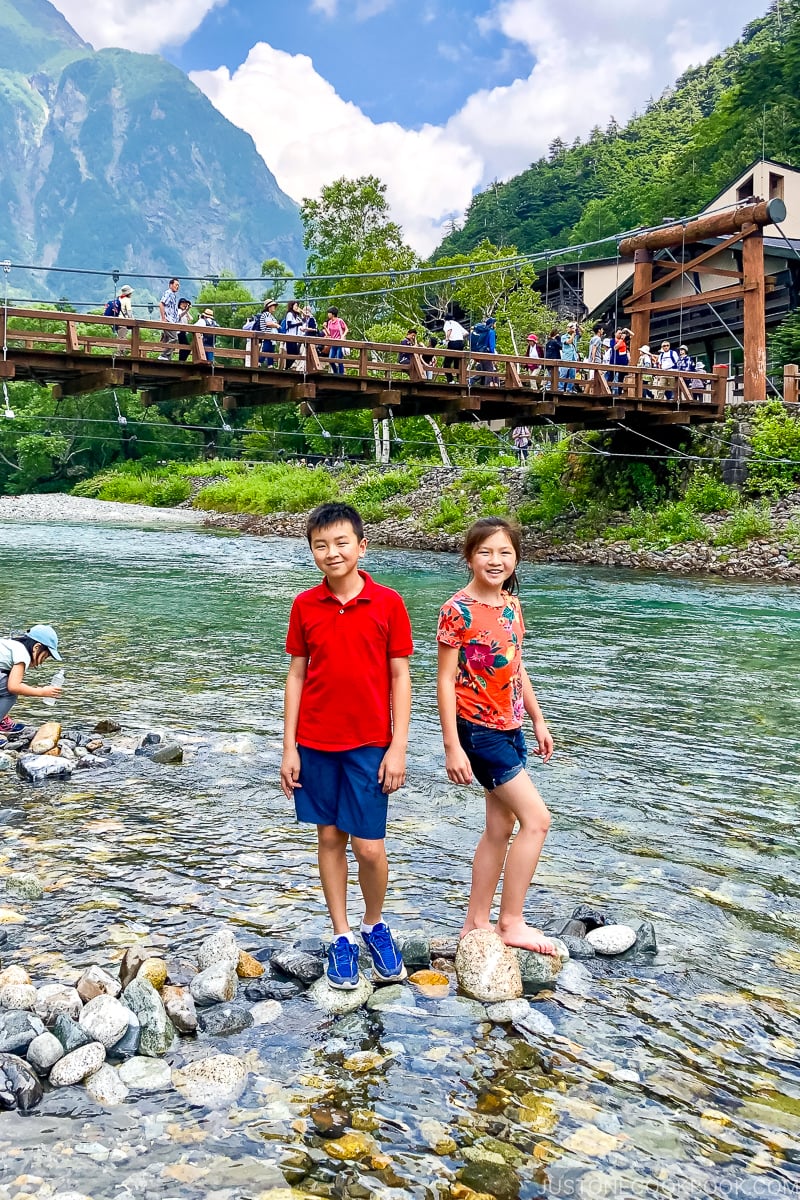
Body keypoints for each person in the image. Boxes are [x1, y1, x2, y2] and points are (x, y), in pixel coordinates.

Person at [280, 502, 413, 990]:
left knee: (370, 848)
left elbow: (400, 675)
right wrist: (288, 747)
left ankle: (374, 925)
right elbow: (296, 675)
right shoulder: (304, 605)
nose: (331, 553)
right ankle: (341, 937)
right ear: (312, 551)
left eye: (341, 543)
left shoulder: (388, 603)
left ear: (361, 545)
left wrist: (398, 747)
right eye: (320, 545)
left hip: (369, 745)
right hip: (314, 741)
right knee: (330, 839)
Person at [436, 517, 556, 955]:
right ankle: (511, 921)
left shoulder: (511, 605)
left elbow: (516, 665)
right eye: (486, 551)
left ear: (515, 559)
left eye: (505, 552)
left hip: (512, 725)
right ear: (469, 557)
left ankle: (475, 921)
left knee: (500, 826)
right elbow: (445, 681)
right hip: (478, 731)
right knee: (537, 820)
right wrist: (452, 746)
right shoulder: (457, 610)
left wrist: (538, 719)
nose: (496, 560)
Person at [0, 625, 63, 740]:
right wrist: (42, 692)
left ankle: (2, 718)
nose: (42, 662)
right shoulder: (23, 654)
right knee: (10, 693)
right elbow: (14, 687)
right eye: (45, 656)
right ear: (36, 647)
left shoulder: (11, 645)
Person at [157, 278, 181, 360]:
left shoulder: (173, 295)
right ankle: (163, 355)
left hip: (172, 321)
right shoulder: (168, 293)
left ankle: (167, 357)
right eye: (176, 285)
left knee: (169, 340)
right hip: (168, 320)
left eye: (178, 285)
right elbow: (161, 304)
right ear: (171, 285)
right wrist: (164, 318)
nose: (177, 287)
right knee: (174, 338)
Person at [443, 315, 468, 383]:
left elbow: (449, 330)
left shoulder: (448, 323)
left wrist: (447, 339)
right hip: (460, 343)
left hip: (453, 343)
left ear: (445, 319)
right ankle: (459, 380)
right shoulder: (457, 323)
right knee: (457, 363)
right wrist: (459, 337)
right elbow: (466, 333)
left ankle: (450, 380)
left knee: (446, 363)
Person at [257, 299, 280, 367]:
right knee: (266, 349)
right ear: (269, 307)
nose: (274, 307)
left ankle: (270, 364)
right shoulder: (267, 314)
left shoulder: (270, 315)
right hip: (267, 335)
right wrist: (277, 325)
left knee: (271, 350)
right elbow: (268, 323)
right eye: (273, 306)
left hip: (271, 336)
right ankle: (259, 361)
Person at [325, 307, 348, 375]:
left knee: (339, 359)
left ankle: (341, 374)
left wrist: (343, 336)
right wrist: (325, 327)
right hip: (333, 343)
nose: (328, 314)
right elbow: (329, 333)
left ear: (333, 314)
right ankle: (335, 372)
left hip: (340, 343)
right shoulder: (329, 322)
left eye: (329, 313)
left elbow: (346, 329)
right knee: (330, 359)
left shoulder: (339, 321)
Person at [281, 300, 304, 368]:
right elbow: (289, 324)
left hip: (294, 337)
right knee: (291, 353)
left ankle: (290, 367)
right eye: (296, 305)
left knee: (294, 353)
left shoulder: (296, 316)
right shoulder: (290, 314)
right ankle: (288, 367)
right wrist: (298, 324)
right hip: (290, 336)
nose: (297, 307)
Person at [559, 327, 579, 393]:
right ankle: (560, 388)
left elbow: (583, 332)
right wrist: (573, 335)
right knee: (563, 374)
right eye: (570, 327)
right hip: (566, 357)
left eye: (573, 327)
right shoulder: (564, 337)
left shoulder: (575, 336)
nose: (572, 328)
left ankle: (569, 388)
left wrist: (577, 326)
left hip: (573, 357)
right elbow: (569, 342)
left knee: (572, 374)